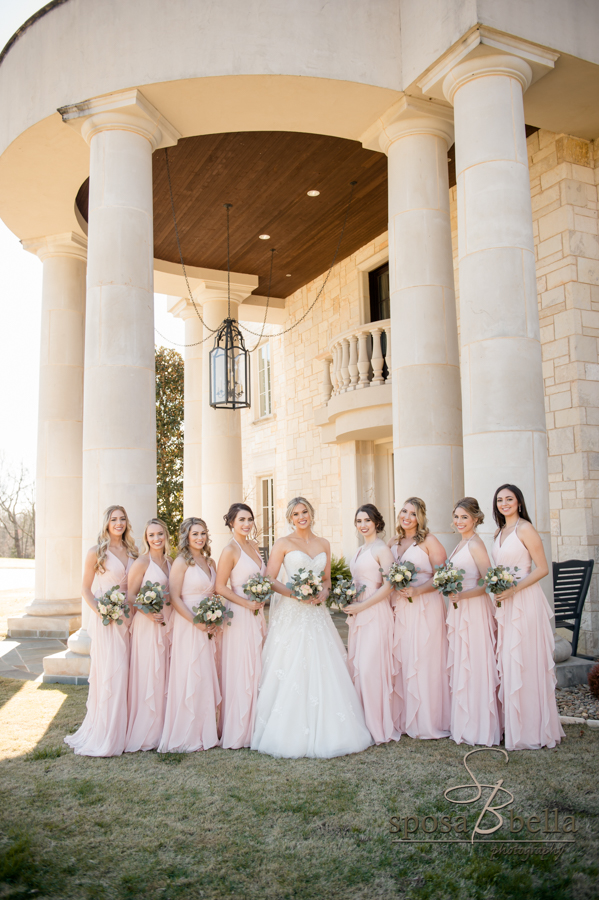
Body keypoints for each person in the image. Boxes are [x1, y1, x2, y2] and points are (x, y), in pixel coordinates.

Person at [251, 497, 372, 758]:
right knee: (291, 663)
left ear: (311, 514)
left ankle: (334, 730)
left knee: (323, 664)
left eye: (304, 511)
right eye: (296, 513)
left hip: (316, 614)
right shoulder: (283, 544)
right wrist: (295, 594)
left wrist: (323, 593)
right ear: (290, 518)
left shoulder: (323, 544)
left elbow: (327, 579)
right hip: (293, 613)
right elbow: (270, 579)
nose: (301, 516)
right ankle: (286, 731)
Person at [492, 484, 564, 750]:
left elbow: (542, 568)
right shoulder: (500, 531)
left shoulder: (525, 529)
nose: (504, 503)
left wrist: (513, 589)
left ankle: (533, 730)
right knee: (510, 660)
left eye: (509, 499)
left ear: (519, 503)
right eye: (500, 500)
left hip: (524, 600)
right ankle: (515, 727)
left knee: (526, 660)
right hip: (506, 603)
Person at [65, 505, 138, 757]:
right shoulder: (96, 552)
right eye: (114, 519)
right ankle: (108, 733)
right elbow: (86, 589)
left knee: (130, 673)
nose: (119, 523)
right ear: (106, 523)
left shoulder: (133, 551)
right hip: (108, 621)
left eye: (122, 519)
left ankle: (129, 732)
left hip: (132, 619)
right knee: (113, 673)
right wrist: (103, 613)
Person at [388, 497, 450, 739]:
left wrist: (417, 590)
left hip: (425, 605)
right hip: (401, 607)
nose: (406, 517)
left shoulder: (429, 541)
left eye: (412, 514)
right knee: (404, 657)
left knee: (424, 658)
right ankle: (405, 719)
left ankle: (428, 720)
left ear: (420, 517)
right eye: (404, 511)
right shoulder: (393, 542)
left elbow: (443, 576)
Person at [159, 518, 221, 752]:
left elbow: (215, 592)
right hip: (189, 623)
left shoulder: (210, 561)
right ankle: (187, 732)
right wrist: (197, 622)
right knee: (190, 672)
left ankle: (206, 732)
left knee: (206, 672)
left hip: (209, 622)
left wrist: (214, 617)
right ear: (186, 536)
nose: (200, 538)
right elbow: (174, 597)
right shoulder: (181, 562)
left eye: (203, 533)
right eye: (195, 534)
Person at [445, 498, 501, 746]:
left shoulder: (476, 544)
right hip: (460, 608)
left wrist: (463, 595)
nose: (459, 521)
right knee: (463, 662)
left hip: (474, 609)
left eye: (464, 517)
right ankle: (465, 723)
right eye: (456, 517)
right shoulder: (461, 544)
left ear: (476, 519)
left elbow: (488, 582)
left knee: (475, 663)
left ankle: (480, 727)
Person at [345, 504, 399, 744]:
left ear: (377, 522)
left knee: (370, 669)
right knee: (357, 668)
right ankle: (362, 724)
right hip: (358, 613)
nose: (363, 525)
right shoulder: (359, 550)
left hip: (375, 613)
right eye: (359, 521)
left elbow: (389, 586)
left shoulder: (381, 549)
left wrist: (361, 606)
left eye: (367, 520)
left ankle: (378, 725)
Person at [216, 503, 267, 749]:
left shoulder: (255, 546)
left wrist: (262, 597)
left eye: (249, 519)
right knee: (241, 667)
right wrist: (247, 603)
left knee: (257, 664)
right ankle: (238, 730)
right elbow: (220, 587)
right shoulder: (230, 550)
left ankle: (255, 725)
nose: (246, 524)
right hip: (239, 613)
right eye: (241, 520)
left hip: (256, 613)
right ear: (231, 523)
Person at [125, 518, 172, 753]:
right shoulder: (142, 562)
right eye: (152, 535)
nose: (156, 539)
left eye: (160, 534)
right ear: (146, 538)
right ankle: (147, 732)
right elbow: (130, 596)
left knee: (165, 674)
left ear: (166, 536)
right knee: (149, 674)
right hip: (147, 624)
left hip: (168, 623)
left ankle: (165, 728)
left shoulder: (172, 562)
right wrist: (149, 613)